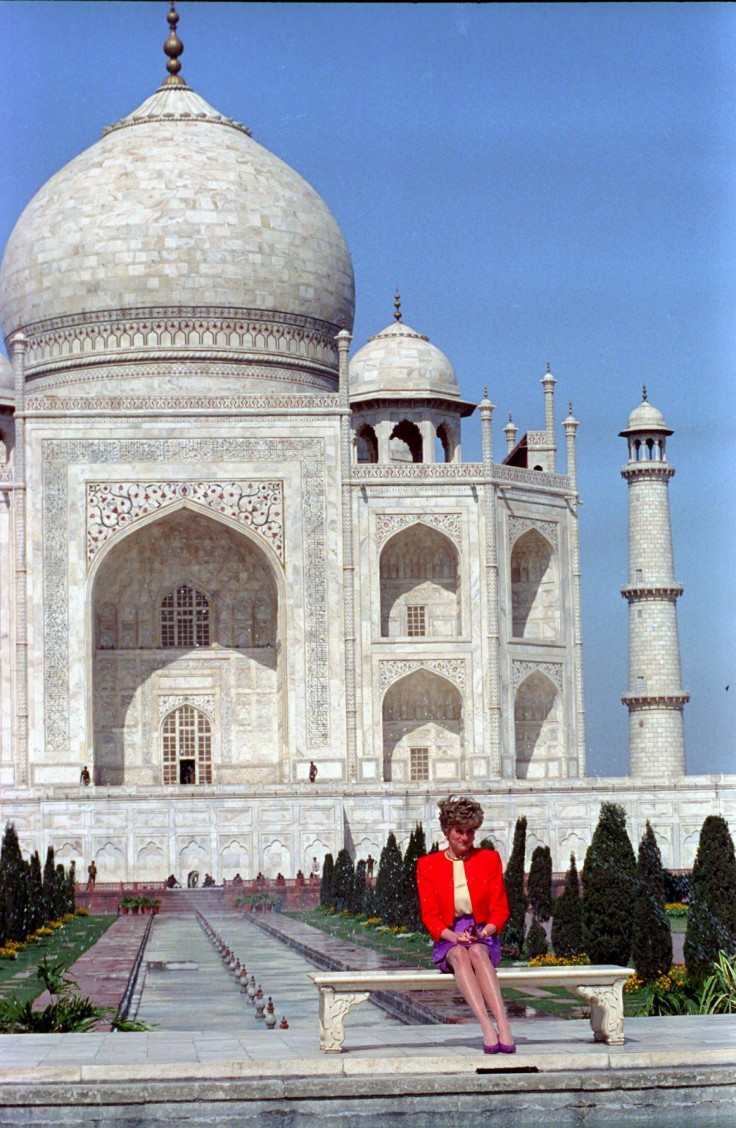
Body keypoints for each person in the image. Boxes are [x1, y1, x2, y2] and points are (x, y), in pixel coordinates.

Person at [416, 795, 515, 1054]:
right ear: (447, 832)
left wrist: (485, 931)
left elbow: (501, 910)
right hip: (449, 936)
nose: (465, 838)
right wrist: (451, 936)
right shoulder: (428, 866)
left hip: (483, 931)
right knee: (460, 955)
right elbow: (430, 916)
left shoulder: (488, 859)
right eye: (459, 831)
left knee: (478, 952)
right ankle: (486, 1027)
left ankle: (503, 1026)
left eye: (470, 832)